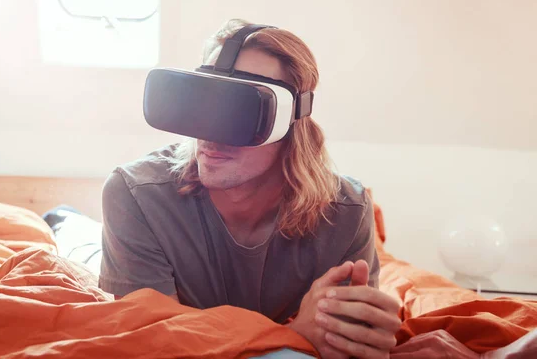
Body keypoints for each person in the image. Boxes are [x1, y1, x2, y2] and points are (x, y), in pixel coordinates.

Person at [99, 19, 401, 358]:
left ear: (291, 122)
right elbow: (151, 344)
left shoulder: (348, 212)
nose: (210, 135)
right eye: (205, 105)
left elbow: (348, 343)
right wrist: (290, 335)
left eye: (240, 111)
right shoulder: (136, 195)